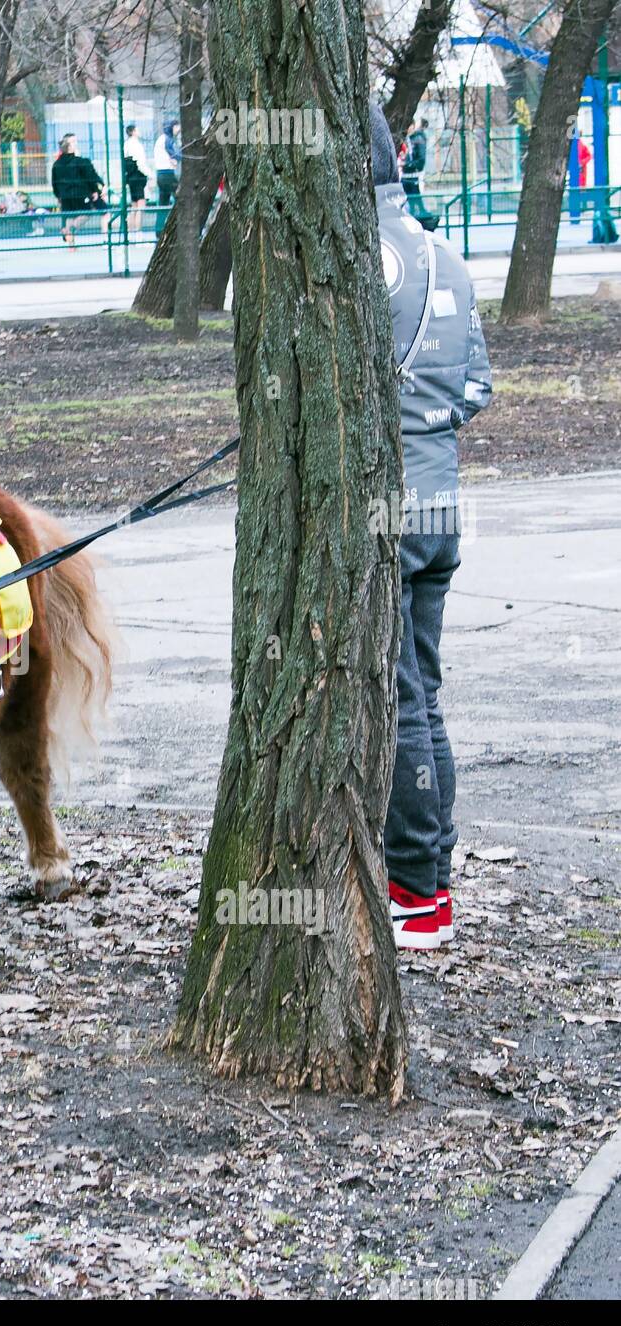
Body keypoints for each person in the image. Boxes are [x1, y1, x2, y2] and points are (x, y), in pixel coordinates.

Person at [370, 105, 493, 952]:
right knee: (425, 697)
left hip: (390, 507)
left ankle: (417, 893)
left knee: (404, 701)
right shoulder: (444, 252)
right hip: (442, 503)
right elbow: (477, 388)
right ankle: (431, 880)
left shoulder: (363, 255)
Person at [51, 133, 108, 246]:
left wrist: (58, 196)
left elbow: (54, 183)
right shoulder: (81, 161)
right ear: (70, 147)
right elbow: (90, 177)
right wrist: (96, 190)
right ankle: (70, 229)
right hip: (80, 193)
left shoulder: (56, 164)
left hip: (65, 195)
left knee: (70, 216)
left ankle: (71, 245)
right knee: (87, 213)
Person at [122, 122, 152, 233]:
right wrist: (150, 174)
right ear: (133, 132)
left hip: (130, 177)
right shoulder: (136, 145)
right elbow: (140, 163)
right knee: (141, 205)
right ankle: (138, 233)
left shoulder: (126, 144)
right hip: (139, 177)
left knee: (134, 206)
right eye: (137, 130)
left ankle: (130, 233)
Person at [401, 117, 429, 222]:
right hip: (406, 176)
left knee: (415, 201)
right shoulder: (407, 139)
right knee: (412, 202)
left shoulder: (417, 139)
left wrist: (406, 165)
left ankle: (422, 220)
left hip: (413, 177)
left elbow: (420, 160)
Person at [153, 119, 180, 204]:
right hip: (167, 174)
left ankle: (162, 217)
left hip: (161, 174)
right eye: (176, 127)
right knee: (181, 197)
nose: (178, 129)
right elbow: (174, 154)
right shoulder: (167, 139)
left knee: (163, 201)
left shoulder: (162, 139)